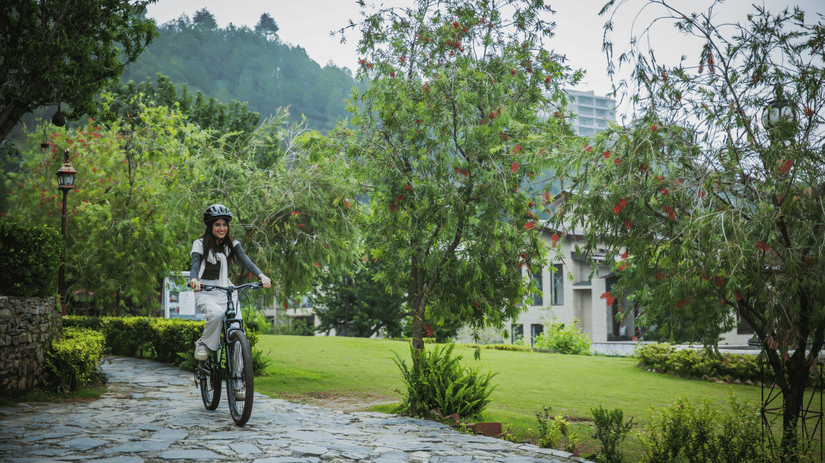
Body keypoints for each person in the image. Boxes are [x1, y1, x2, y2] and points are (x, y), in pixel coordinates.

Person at [190, 204, 271, 367]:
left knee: (237, 330)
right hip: (205, 290)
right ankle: (203, 344)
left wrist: (261, 275)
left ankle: (239, 379)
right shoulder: (199, 243)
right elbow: (195, 264)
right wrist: (194, 280)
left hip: (226, 290)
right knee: (217, 314)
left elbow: (245, 260)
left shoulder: (232, 243)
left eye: (225, 224)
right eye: (217, 224)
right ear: (210, 226)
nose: (222, 228)